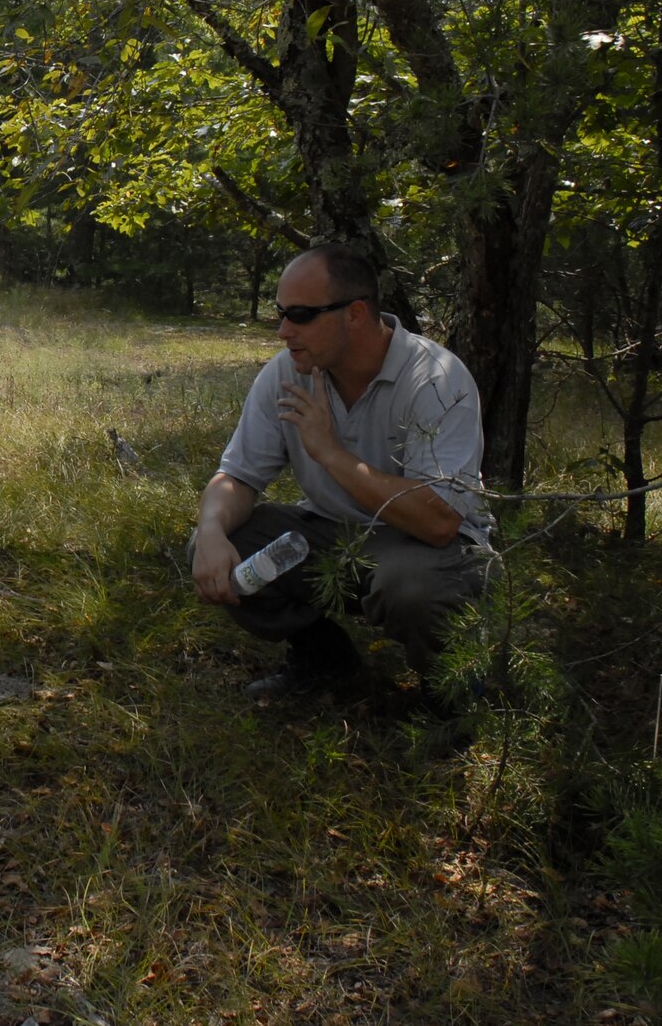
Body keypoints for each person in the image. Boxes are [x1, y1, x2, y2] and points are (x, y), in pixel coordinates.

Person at [188, 243, 496, 702]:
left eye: (301, 315)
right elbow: (238, 475)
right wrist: (211, 529)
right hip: (332, 534)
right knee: (220, 542)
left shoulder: (434, 379)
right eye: (281, 313)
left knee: (411, 587)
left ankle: (456, 698)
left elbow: (439, 521)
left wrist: (330, 453)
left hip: (426, 548)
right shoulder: (286, 374)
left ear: (354, 314)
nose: (283, 331)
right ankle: (324, 661)